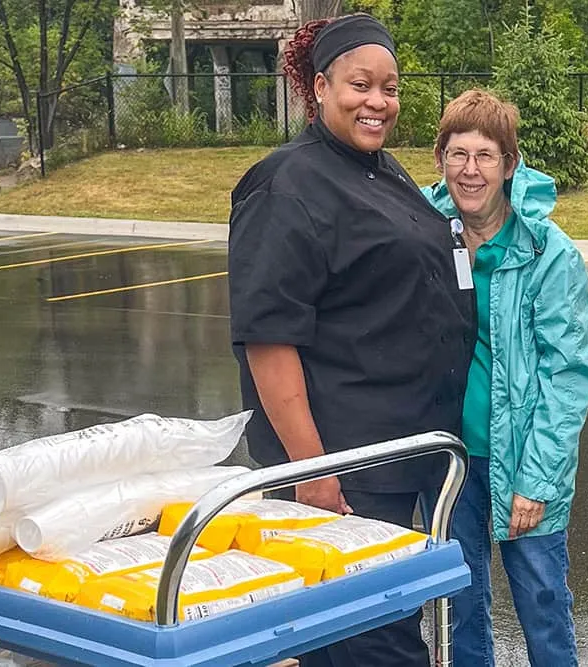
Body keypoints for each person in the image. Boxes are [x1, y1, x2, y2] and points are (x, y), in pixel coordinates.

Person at [228, 13, 476, 667]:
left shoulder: (383, 172)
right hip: (345, 474)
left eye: (389, 88)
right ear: (319, 86)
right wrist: (314, 474)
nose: (378, 102)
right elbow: (269, 341)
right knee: (374, 645)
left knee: (382, 629)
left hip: (410, 459)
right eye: (360, 85)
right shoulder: (285, 185)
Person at [420, 89, 588, 666]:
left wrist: (537, 481)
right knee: (461, 603)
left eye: (486, 155)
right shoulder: (422, 234)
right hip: (451, 462)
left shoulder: (550, 254)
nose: (470, 170)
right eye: (457, 153)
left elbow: (567, 376)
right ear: (440, 159)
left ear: (510, 165)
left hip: (525, 458)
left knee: (542, 598)